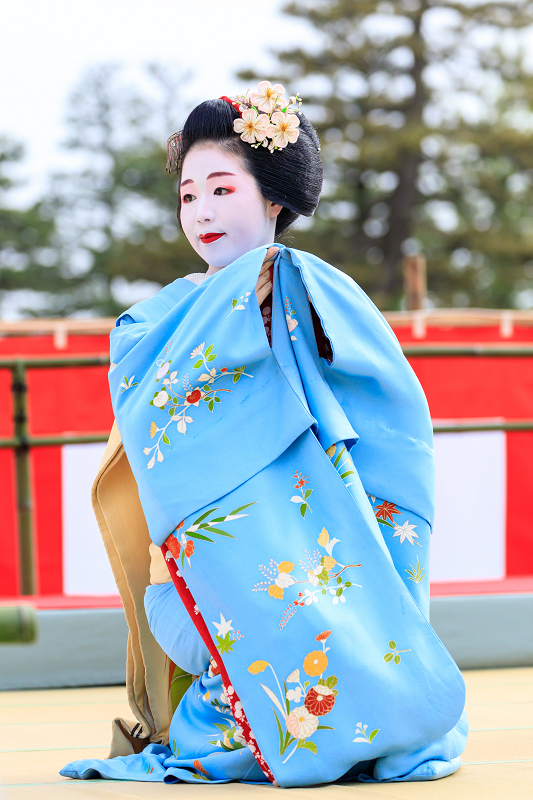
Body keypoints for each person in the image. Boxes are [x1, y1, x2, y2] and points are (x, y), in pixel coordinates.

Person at [61, 81, 467, 787]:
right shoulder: (169, 311)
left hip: (317, 524)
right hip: (218, 538)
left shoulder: (308, 284)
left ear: (272, 198)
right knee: (227, 612)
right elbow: (146, 389)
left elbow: (389, 407)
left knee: (337, 620)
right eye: (189, 195)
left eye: (222, 189)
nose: (203, 211)